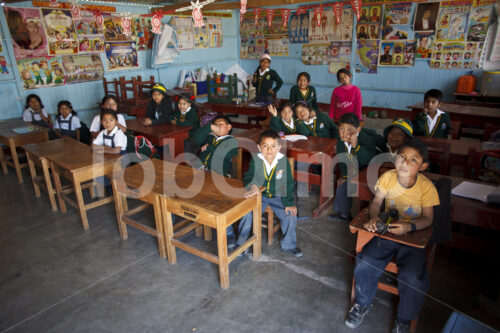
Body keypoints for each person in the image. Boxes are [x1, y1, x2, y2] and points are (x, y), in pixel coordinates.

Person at [344, 140, 439, 333]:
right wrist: (374, 217)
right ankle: (362, 304)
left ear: (423, 166)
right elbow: (376, 203)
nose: (405, 163)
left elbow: (428, 219)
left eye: (413, 160)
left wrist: (409, 226)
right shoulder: (388, 177)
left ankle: (403, 319)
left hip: (412, 236)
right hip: (386, 232)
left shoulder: (426, 187)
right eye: (402, 157)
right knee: (365, 262)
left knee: (413, 277)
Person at [230, 129, 302, 258]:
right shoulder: (256, 159)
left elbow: (289, 183)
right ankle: (241, 243)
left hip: (279, 197)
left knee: (290, 215)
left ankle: (289, 245)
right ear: (259, 147)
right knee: (246, 213)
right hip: (260, 196)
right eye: (265, 146)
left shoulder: (283, 161)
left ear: (279, 147)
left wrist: (289, 203)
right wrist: (253, 187)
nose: (269, 150)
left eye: (273, 146)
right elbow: (250, 176)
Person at [328, 113, 380, 222]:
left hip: (370, 171)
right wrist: (344, 176)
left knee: (365, 191)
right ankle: (344, 215)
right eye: (341, 129)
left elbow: (368, 160)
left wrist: (357, 147)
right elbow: (343, 161)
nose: (344, 133)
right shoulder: (340, 143)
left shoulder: (367, 140)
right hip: (355, 171)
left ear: (358, 130)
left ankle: (367, 216)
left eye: (349, 129)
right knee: (342, 184)